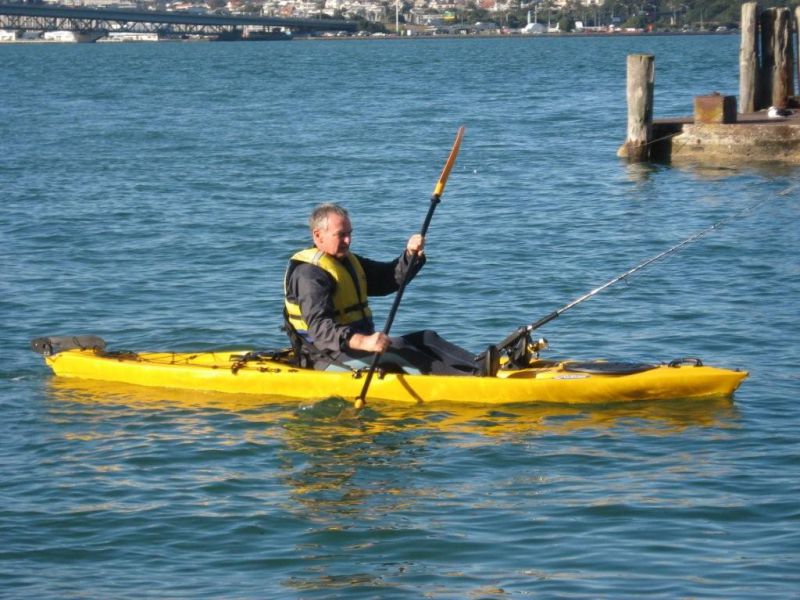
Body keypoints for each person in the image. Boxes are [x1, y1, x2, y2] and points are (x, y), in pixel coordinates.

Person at [283, 203, 497, 376]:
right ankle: (475, 379)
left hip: (353, 349)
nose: (348, 241)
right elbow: (320, 329)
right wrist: (364, 341)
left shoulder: (346, 261)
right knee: (398, 349)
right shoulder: (309, 275)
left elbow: (387, 279)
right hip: (324, 356)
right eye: (341, 235)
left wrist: (411, 256)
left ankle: (481, 365)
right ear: (318, 235)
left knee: (426, 338)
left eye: (350, 233)